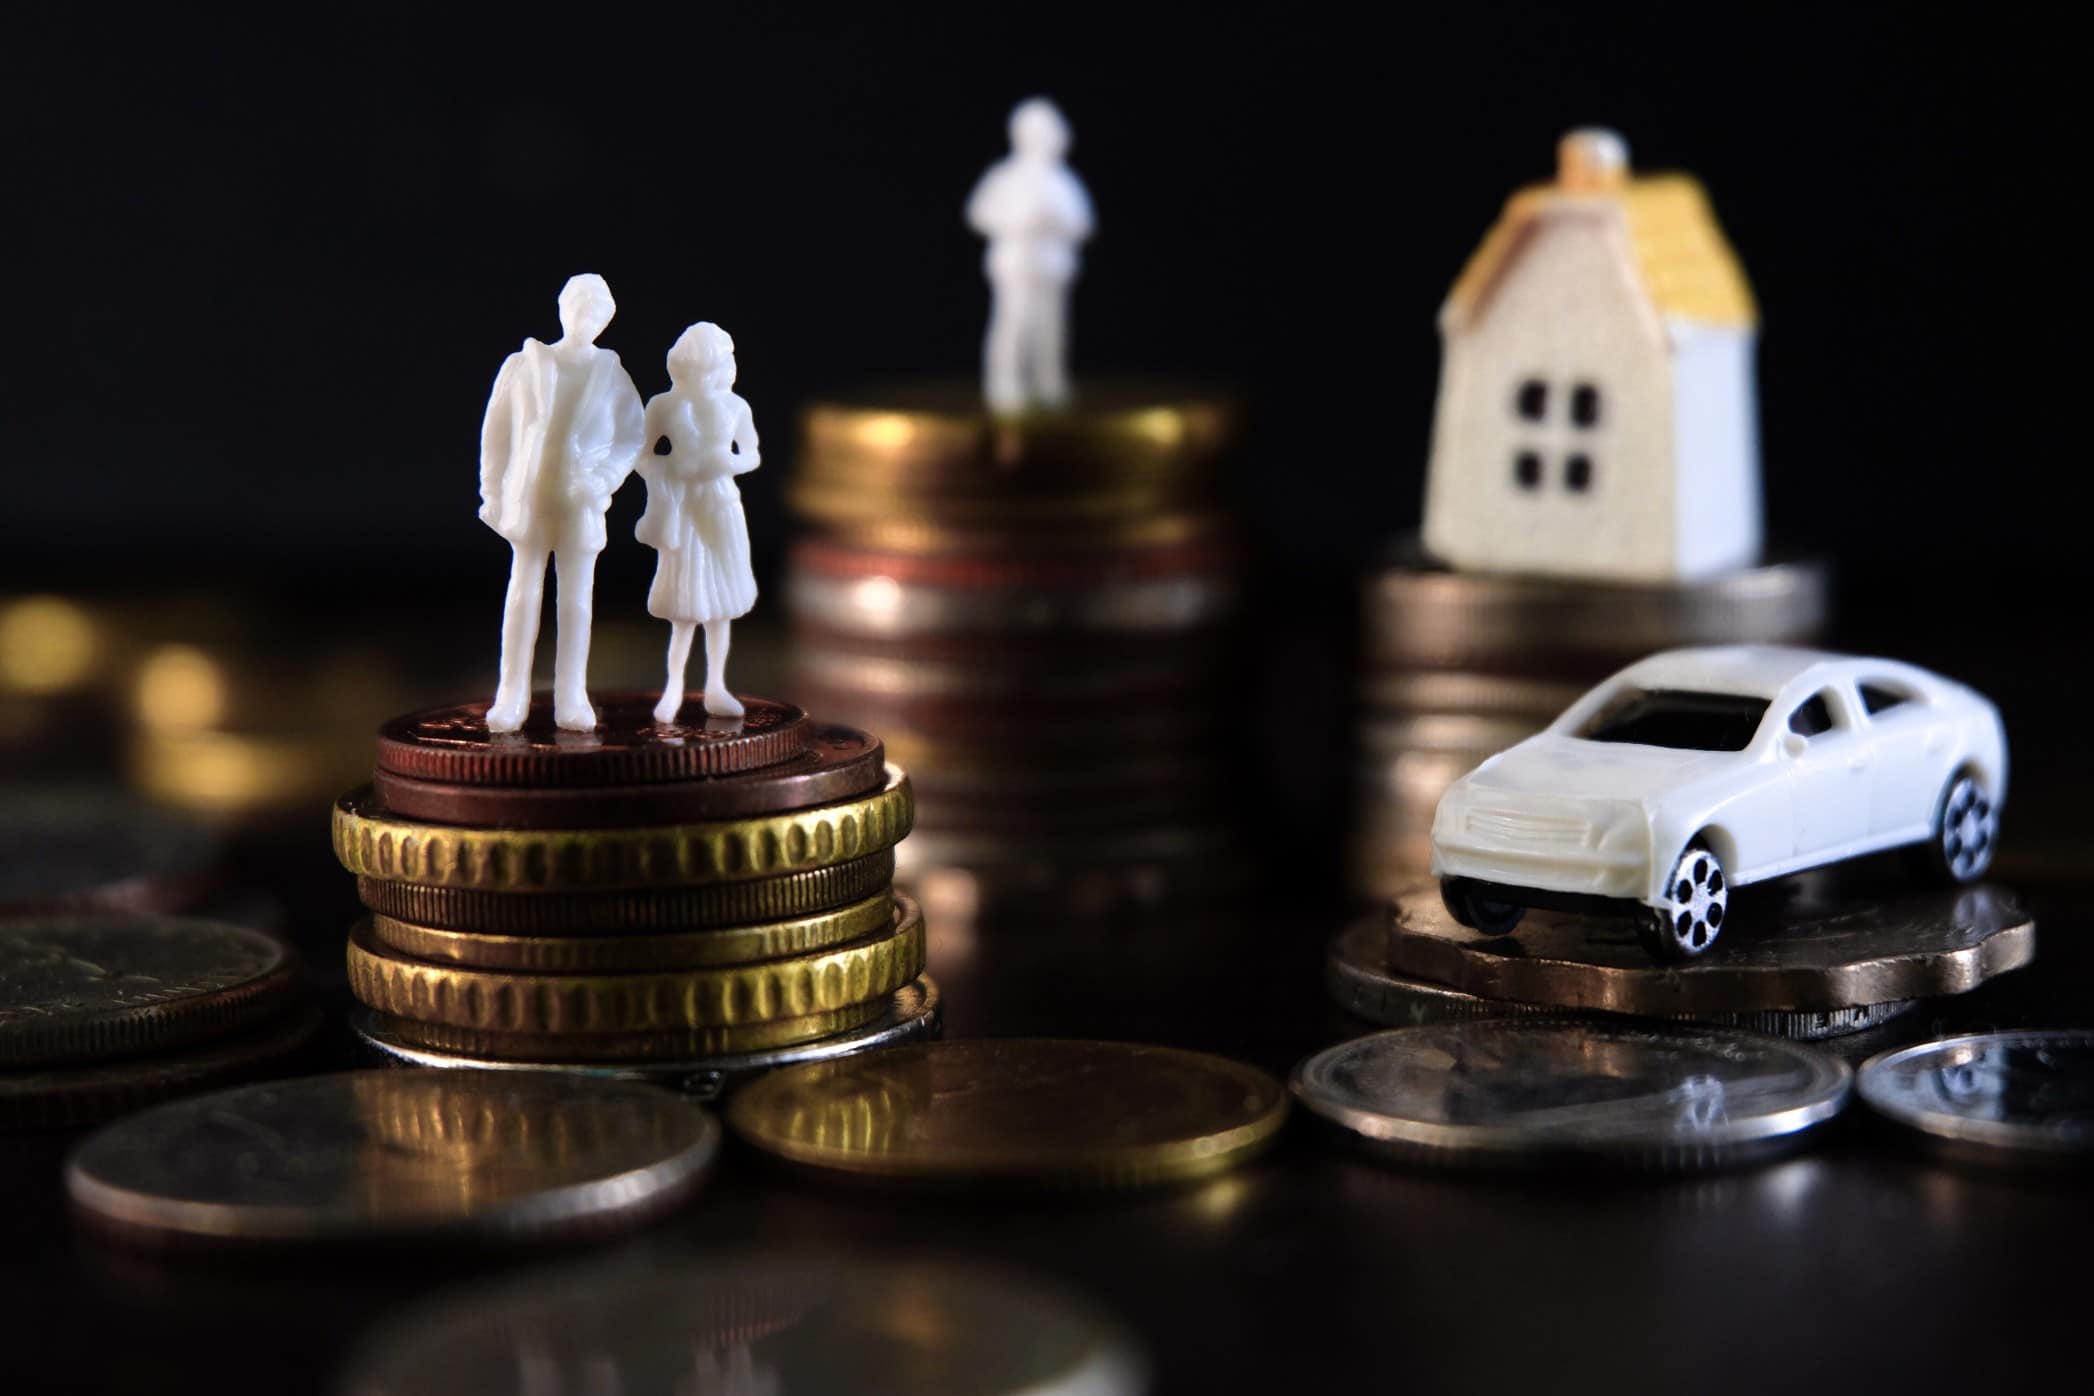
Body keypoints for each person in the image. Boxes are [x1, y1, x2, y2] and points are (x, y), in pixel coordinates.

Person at [477, 274, 645, 732]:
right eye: (577, 305)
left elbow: (633, 435)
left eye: (595, 310)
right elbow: (497, 432)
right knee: (523, 594)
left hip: (581, 501)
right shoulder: (524, 365)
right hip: (530, 497)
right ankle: (511, 693)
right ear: (561, 308)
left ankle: (571, 694)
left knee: (576, 600)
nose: (584, 317)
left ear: (606, 320)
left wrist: (605, 478)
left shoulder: (611, 375)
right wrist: (491, 490)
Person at [635, 322, 761, 723]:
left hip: (722, 505)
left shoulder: (736, 406)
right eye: (697, 368)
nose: (707, 377)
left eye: (716, 367)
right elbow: (639, 455)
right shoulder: (664, 406)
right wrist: (673, 469)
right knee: (685, 606)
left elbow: (752, 454)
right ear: (682, 367)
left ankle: (717, 686)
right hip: (684, 507)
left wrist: (730, 462)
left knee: (721, 605)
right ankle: (673, 686)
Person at [966, 97, 1095, 413]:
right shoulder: (1005, 176)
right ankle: (1005, 383)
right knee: (1014, 321)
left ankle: (1049, 381)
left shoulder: (1062, 181)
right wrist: (1014, 221)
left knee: (1052, 327)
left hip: (1052, 266)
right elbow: (979, 213)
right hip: (1015, 264)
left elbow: (1083, 224)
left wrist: (1056, 220)